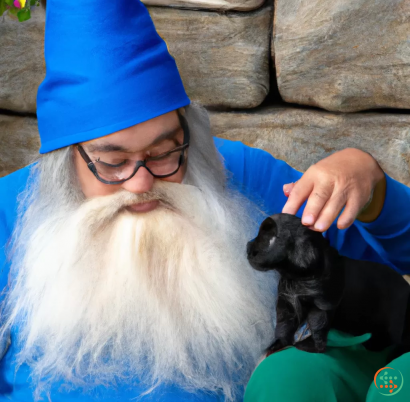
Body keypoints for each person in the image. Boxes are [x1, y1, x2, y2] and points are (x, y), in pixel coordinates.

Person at [0, 0, 409, 401]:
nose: (142, 183)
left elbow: (391, 277)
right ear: (64, 161)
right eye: (112, 163)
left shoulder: (244, 173)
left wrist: (371, 183)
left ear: (188, 134)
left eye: (164, 152)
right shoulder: (8, 210)